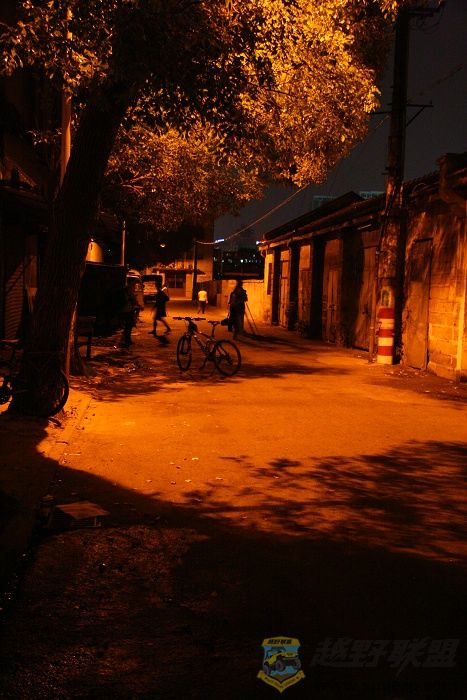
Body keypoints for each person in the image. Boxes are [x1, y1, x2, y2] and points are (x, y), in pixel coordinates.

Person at [120, 279, 142, 348]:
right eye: (134, 283)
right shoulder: (129, 288)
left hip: (125, 310)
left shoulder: (126, 288)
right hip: (127, 310)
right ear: (131, 282)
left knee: (128, 326)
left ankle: (127, 340)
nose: (135, 285)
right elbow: (133, 299)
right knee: (129, 326)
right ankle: (127, 340)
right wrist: (139, 305)